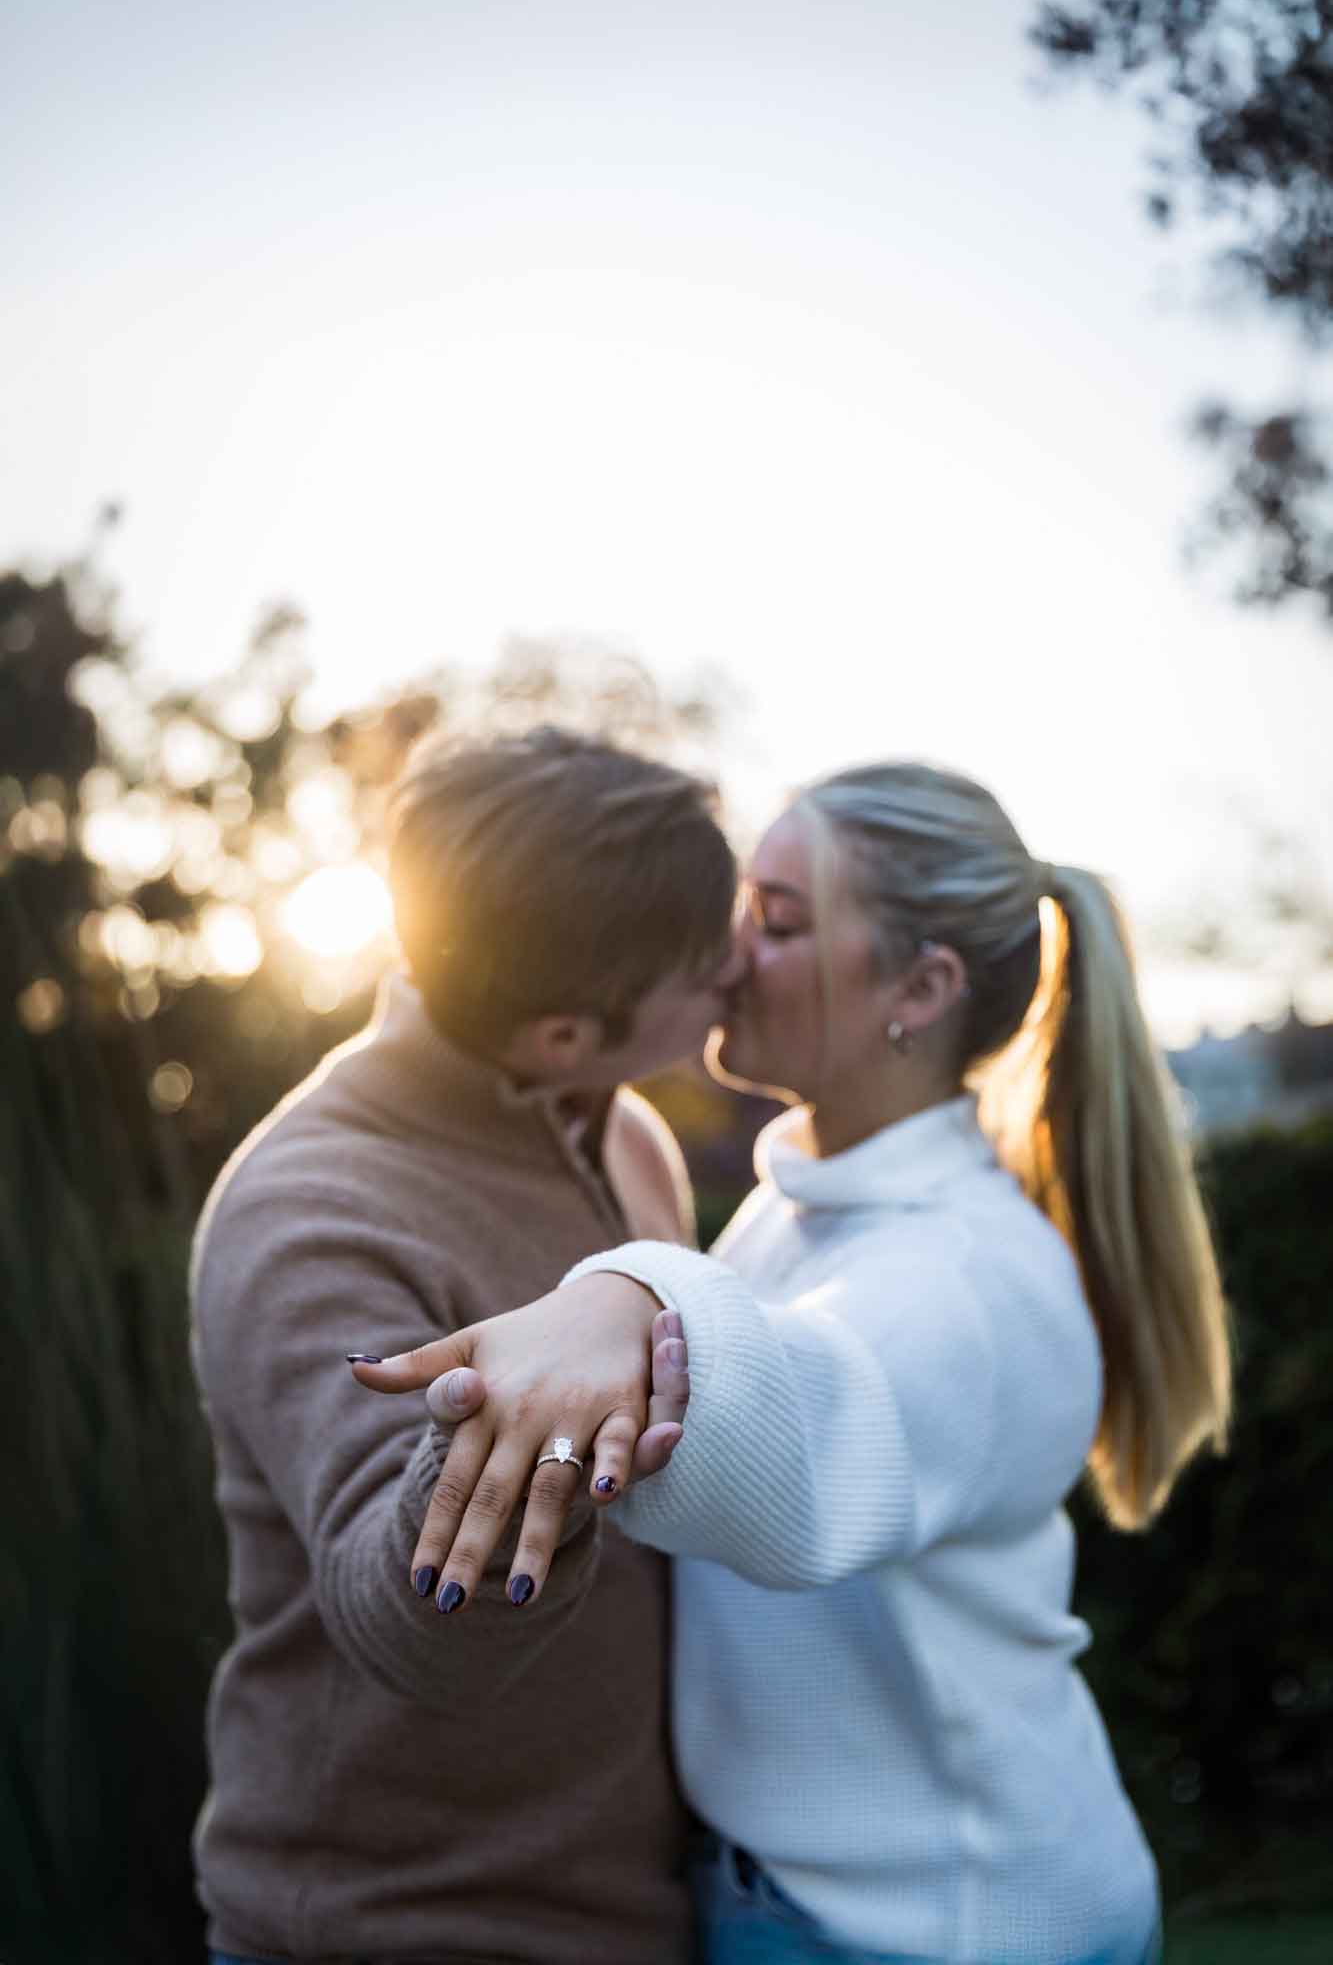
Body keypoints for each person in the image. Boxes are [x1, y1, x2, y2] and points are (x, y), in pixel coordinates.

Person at [355, 759, 1232, 1965]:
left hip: (943, 1924)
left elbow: (805, 1426)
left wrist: (625, 1293)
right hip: (819, 1905)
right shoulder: (798, 1205)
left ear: (916, 988)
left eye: (776, 920)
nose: (724, 951)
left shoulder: (966, 1275)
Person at [189, 725, 742, 1965]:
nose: (740, 965)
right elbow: (402, 1622)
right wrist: (510, 1445)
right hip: (391, 1930)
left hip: (628, 1911)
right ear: (563, 1031)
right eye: (705, 965)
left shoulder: (626, 1133)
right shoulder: (309, 1208)